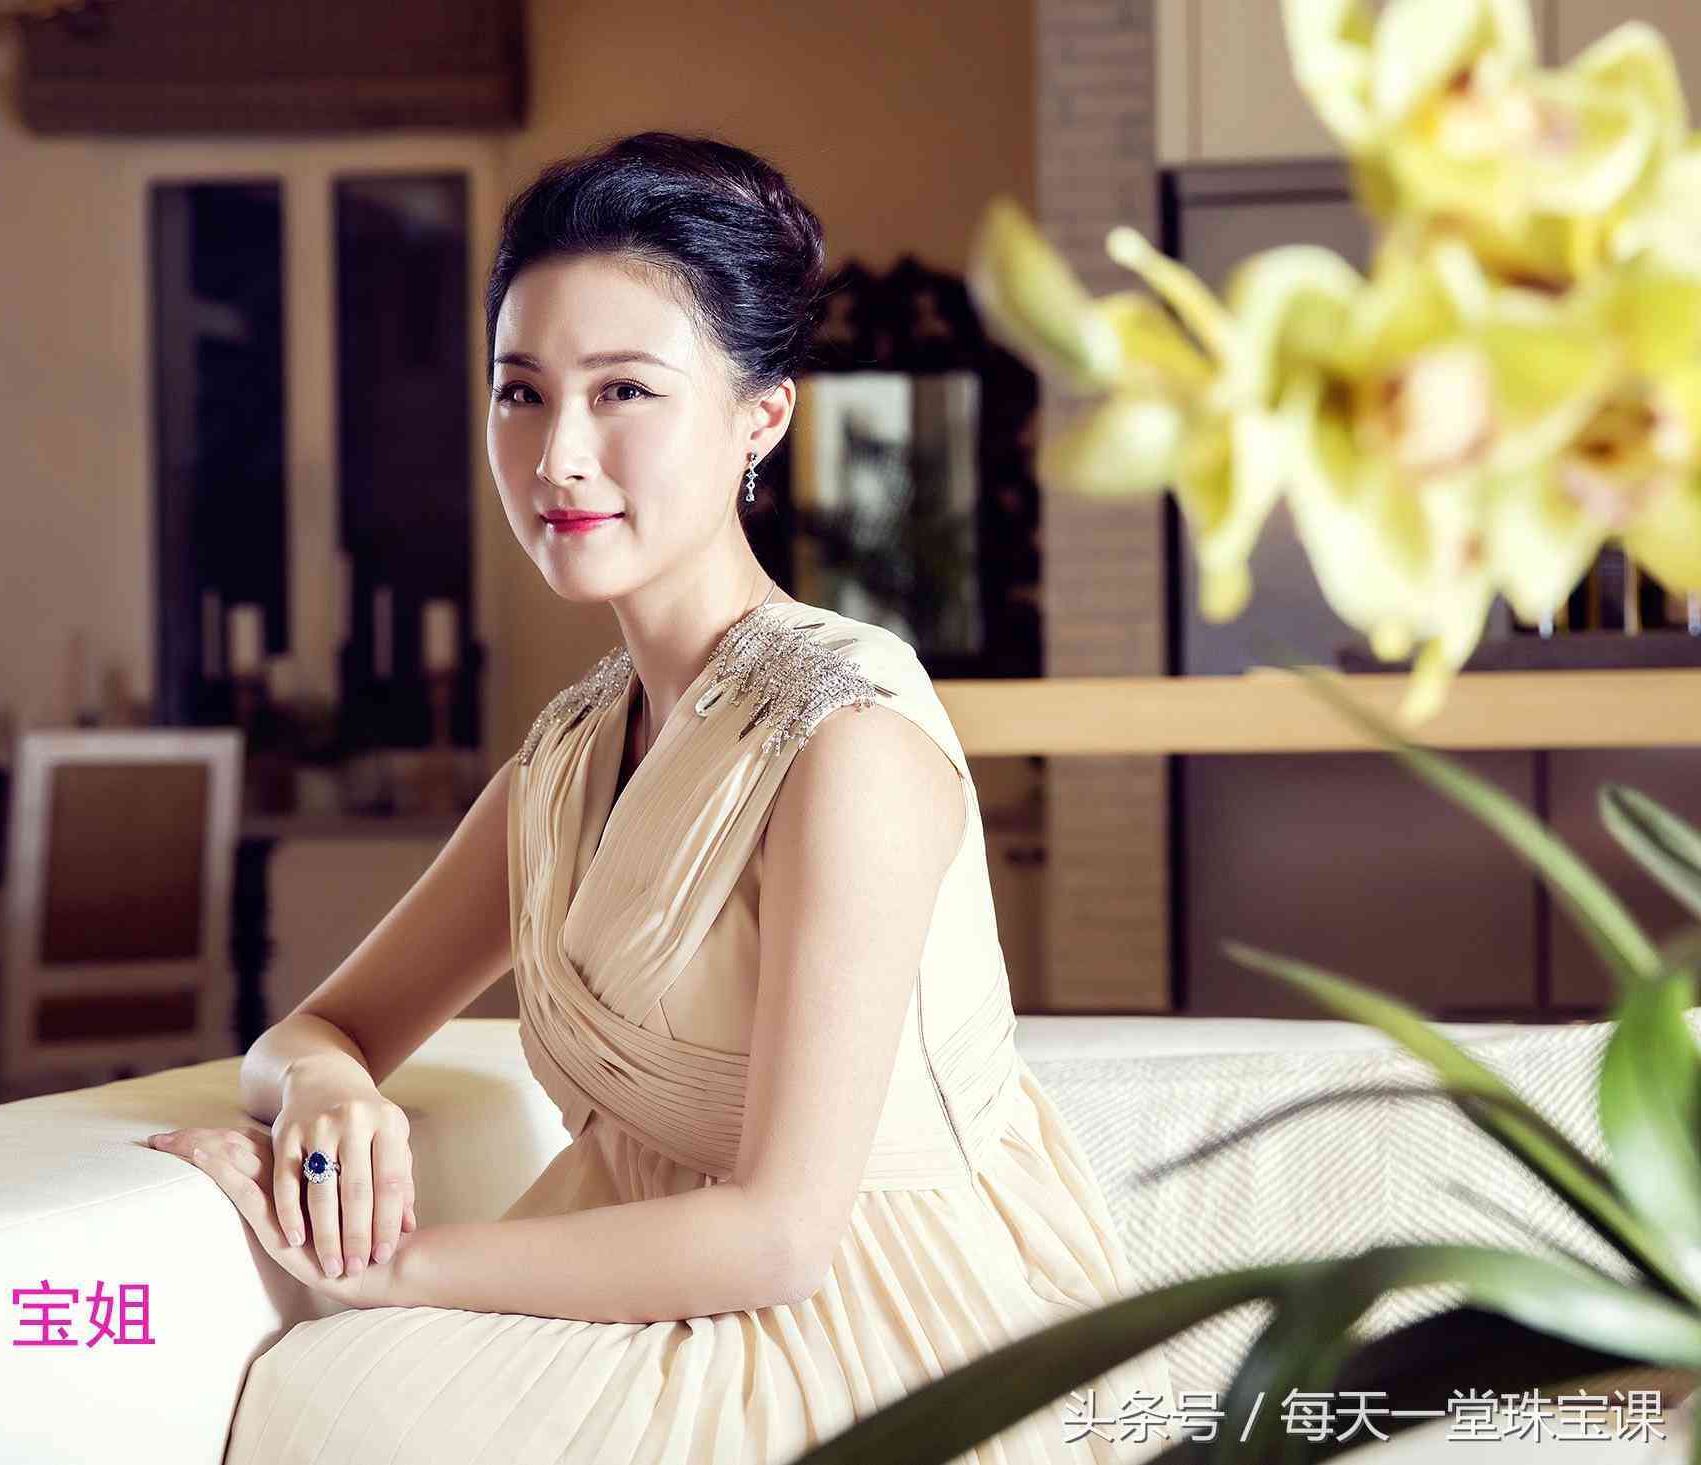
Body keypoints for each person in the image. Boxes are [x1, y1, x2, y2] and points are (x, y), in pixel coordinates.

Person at [147, 131, 1175, 1465]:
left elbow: (783, 1235)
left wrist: (382, 1267)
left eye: (624, 389)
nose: (558, 455)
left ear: (763, 417)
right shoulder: (572, 752)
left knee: (351, 1401)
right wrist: (329, 1095)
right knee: (342, 1402)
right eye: (521, 394)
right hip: (639, 1292)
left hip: (879, 1334)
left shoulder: (847, 740)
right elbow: (313, 1030)